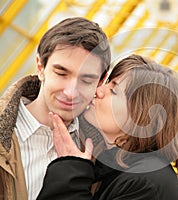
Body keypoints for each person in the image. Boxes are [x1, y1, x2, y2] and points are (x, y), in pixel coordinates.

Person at [37, 54, 178, 200]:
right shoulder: (118, 171)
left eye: (113, 90)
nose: (98, 91)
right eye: (106, 83)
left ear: (142, 117)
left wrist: (69, 169)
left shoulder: (147, 184)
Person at [0, 17, 111, 200]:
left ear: (100, 82)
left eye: (86, 80)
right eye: (61, 73)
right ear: (40, 67)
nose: (70, 92)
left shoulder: (105, 154)